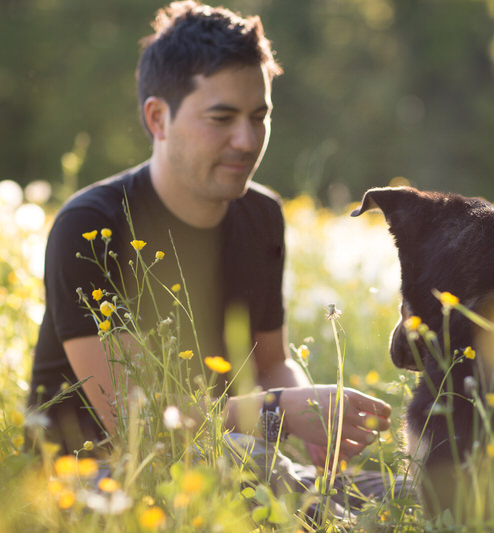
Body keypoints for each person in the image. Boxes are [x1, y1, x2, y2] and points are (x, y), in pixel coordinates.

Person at [27, 0, 391, 481]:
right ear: (157, 118)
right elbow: (142, 424)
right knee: (249, 461)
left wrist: (318, 420)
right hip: (96, 479)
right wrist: (278, 412)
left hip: (231, 461)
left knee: (409, 490)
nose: (246, 140)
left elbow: (271, 364)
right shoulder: (91, 227)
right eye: (221, 119)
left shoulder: (262, 215)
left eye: (259, 117)